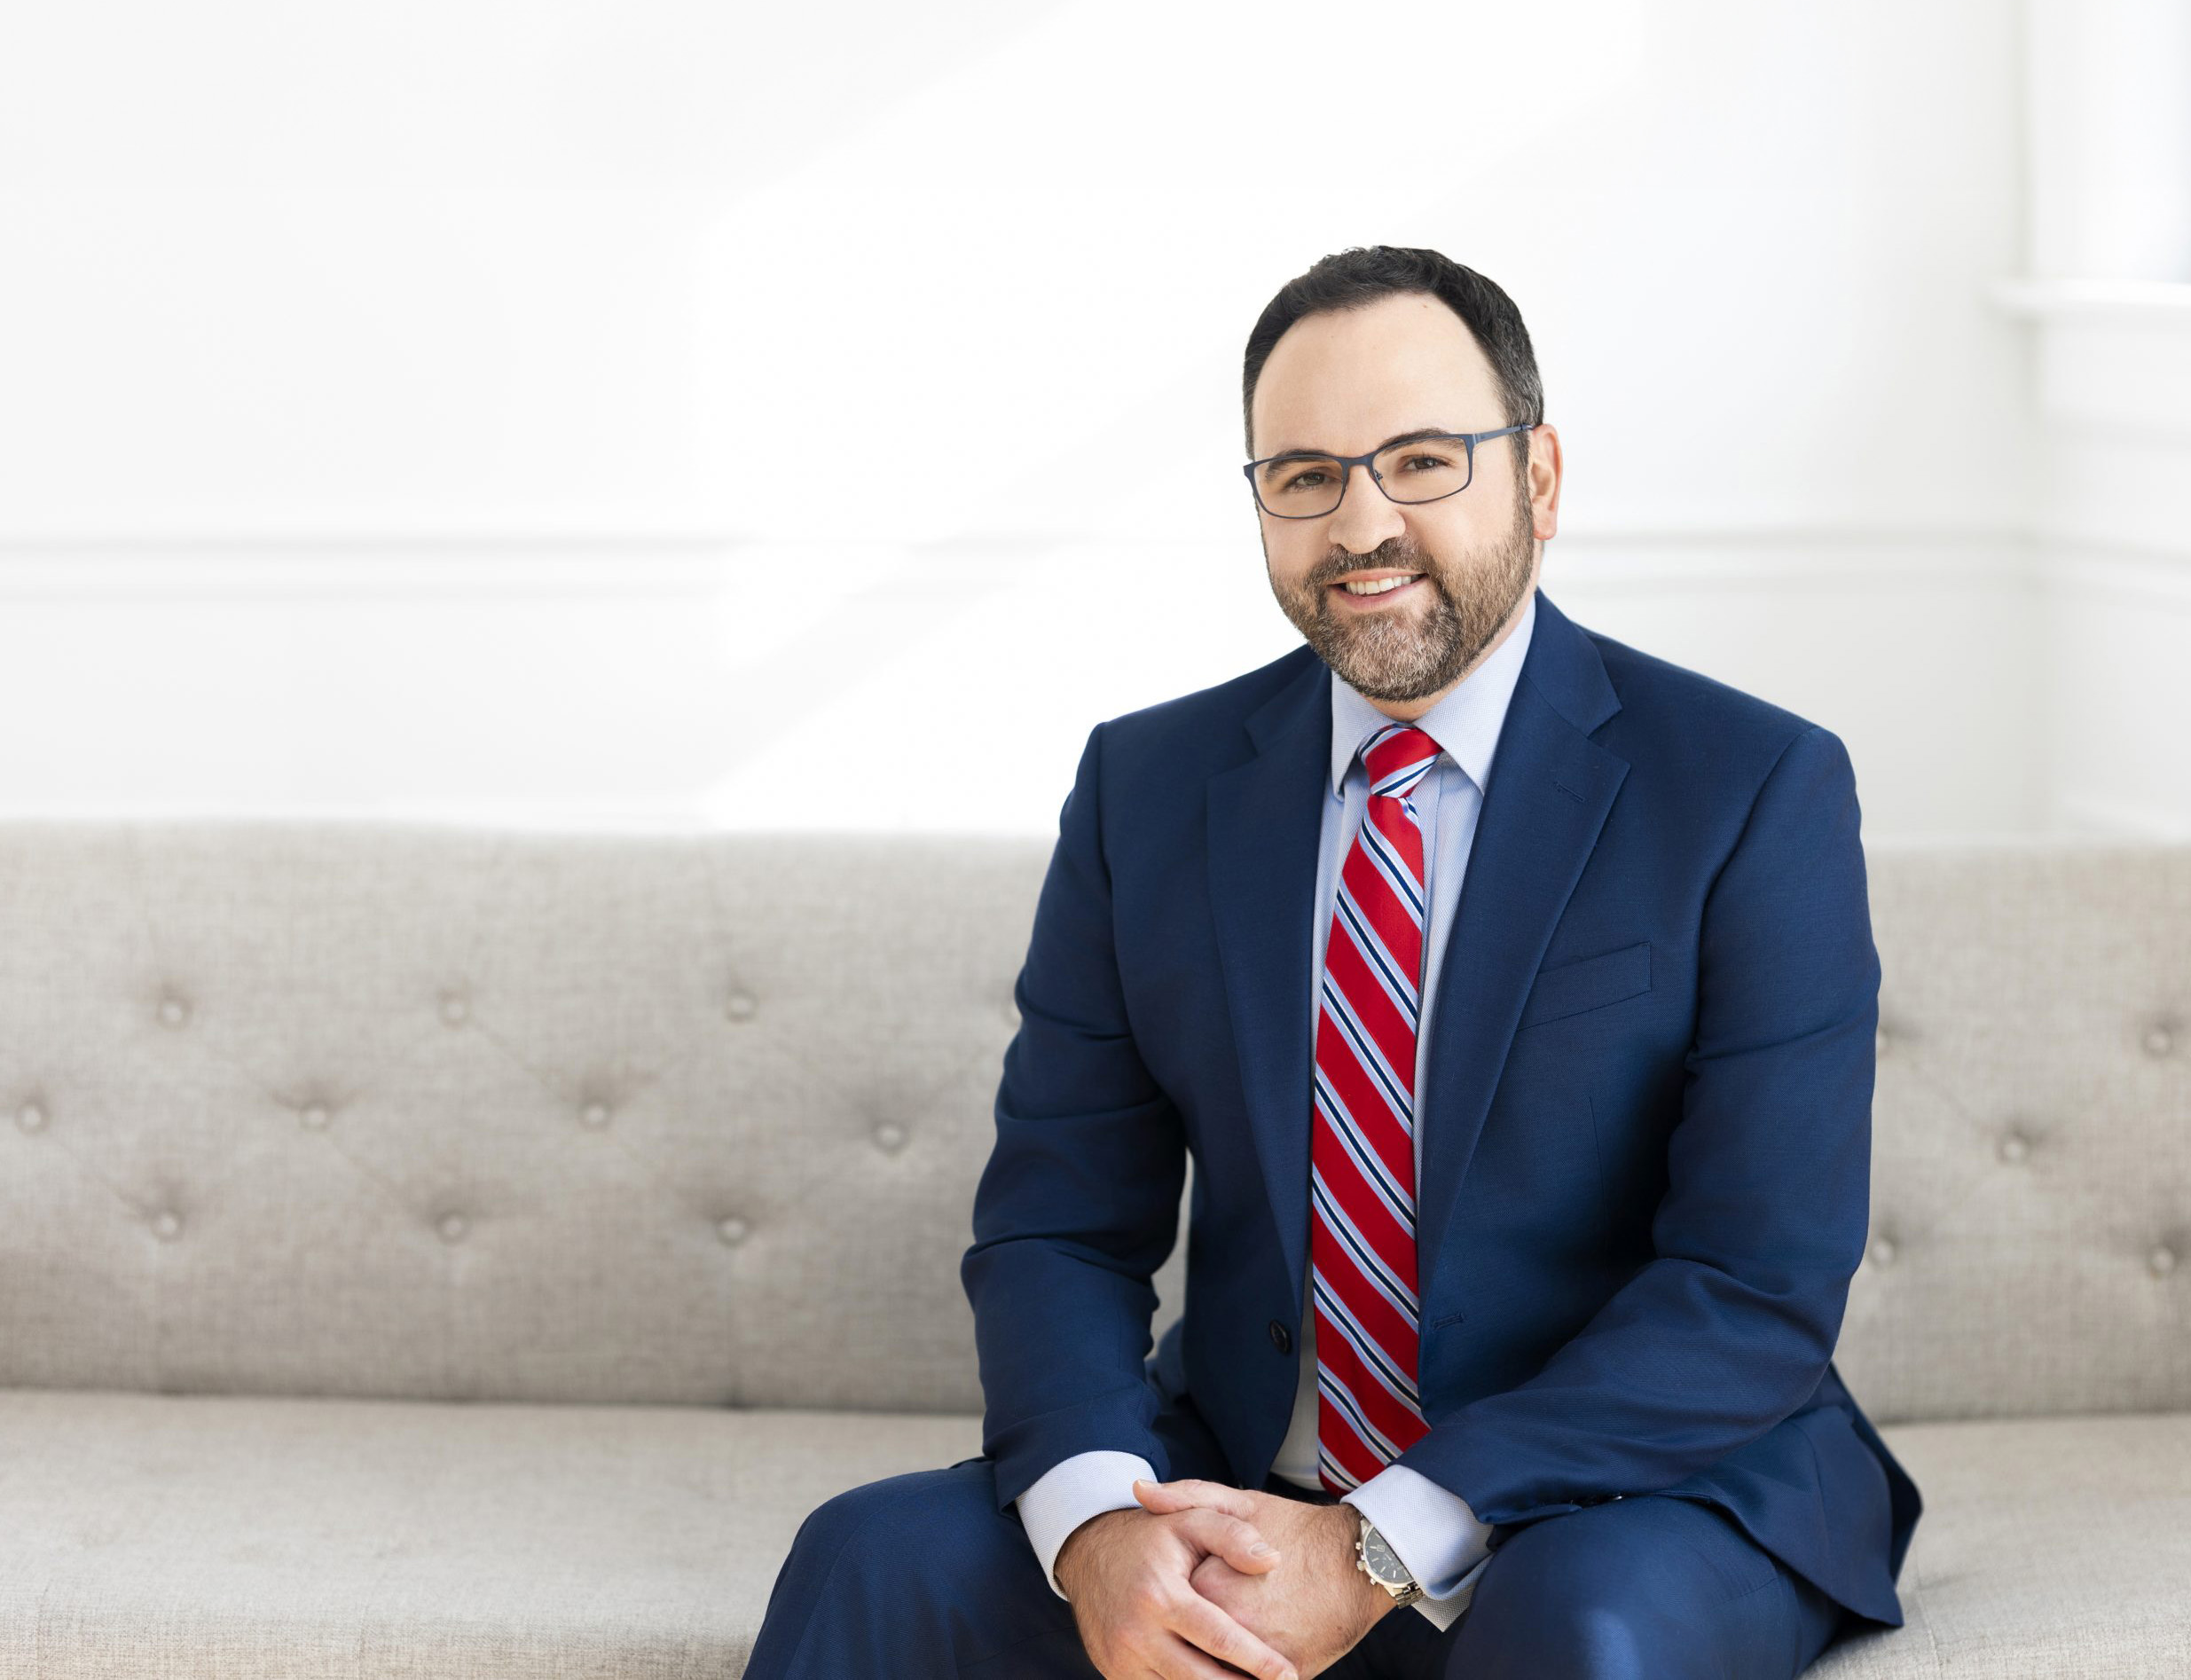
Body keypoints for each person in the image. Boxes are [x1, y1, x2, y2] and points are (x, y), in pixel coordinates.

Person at [741, 244, 1923, 1680]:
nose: (1362, 523)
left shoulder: (1751, 787)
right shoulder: (1148, 788)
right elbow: (1060, 1223)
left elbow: (1753, 1280)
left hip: (1633, 1491)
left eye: (1424, 459)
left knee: (1580, 1632)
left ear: (1539, 480)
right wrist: (1102, 1521)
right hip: (1249, 1472)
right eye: (1303, 476)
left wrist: (1374, 1543)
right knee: (870, 1561)